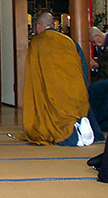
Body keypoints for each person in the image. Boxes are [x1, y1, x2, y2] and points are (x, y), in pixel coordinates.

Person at [14, 11, 99, 146]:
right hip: (76, 89)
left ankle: (74, 135)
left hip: (55, 90)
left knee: (55, 115)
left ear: (39, 25)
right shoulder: (69, 41)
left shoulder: (37, 42)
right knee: (75, 107)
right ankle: (80, 123)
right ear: (53, 25)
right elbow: (82, 66)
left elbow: (35, 74)